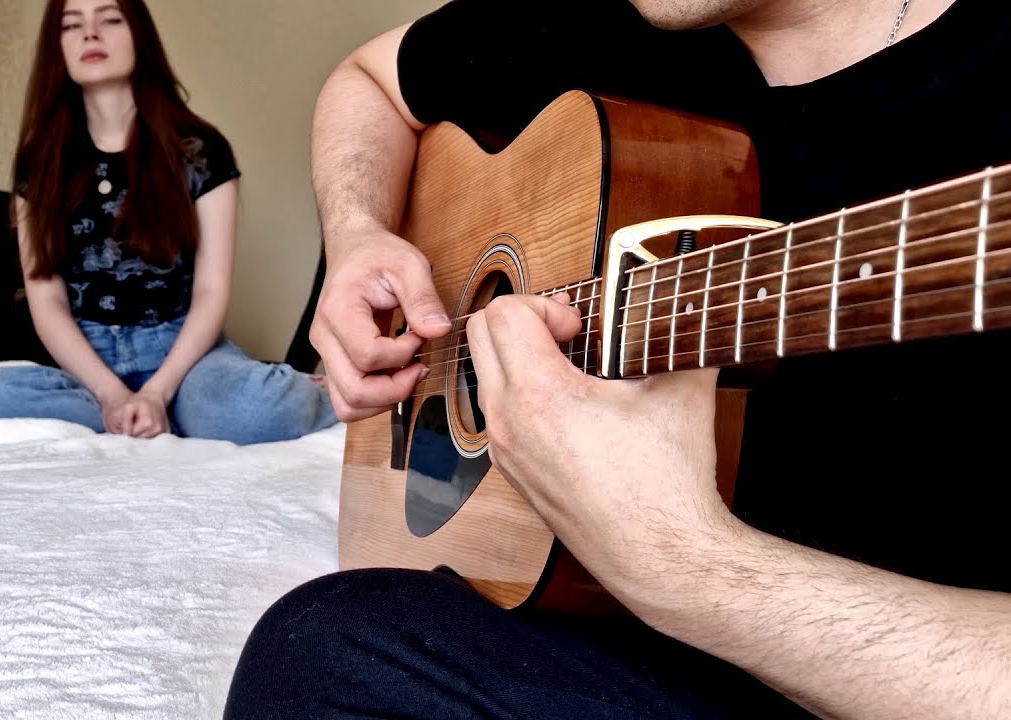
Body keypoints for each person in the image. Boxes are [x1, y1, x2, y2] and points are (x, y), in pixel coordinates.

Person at [222, 0, 1011, 717]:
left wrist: (685, 564)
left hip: (887, 676)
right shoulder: (607, 17)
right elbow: (369, 80)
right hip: (612, 627)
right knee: (321, 647)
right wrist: (357, 234)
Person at [0, 0, 336, 444]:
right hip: (89, 364)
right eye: (71, 25)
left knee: (253, 410)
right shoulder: (38, 163)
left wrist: (158, 391)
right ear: (55, 47)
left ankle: (296, 395)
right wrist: (112, 395)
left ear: (139, 33)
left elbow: (211, 292)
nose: (90, 33)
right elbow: (47, 300)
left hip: (185, 355)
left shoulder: (200, 150)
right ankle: (147, 416)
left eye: (110, 19)